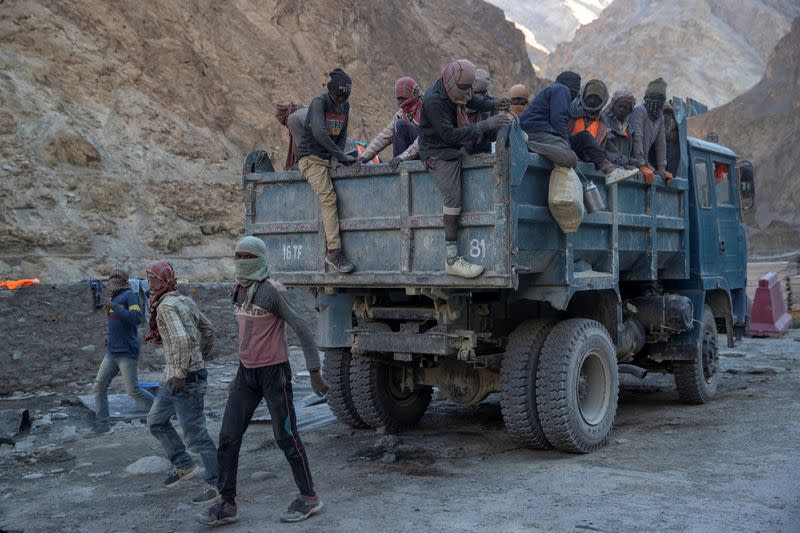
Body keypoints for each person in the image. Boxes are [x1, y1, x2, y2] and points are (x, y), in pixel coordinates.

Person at [197, 237, 329, 526]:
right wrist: (236, 377)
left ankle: (309, 497)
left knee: (286, 436)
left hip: (274, 374)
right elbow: (246, 339)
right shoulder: (238, 291)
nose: (242, 261)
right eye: (238, 256)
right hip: (247, 374)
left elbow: (303, 330)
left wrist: (315, 372)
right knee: (228, 437)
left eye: (248, 256)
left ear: (260, 258)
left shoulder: (272, 291)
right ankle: (227, 503)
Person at [419, 59, 511, 279]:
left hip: (455, 148)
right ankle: (451, 259)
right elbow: (449, 135)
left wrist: (494, 104)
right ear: (451, 84)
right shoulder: (434, 101)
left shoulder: (457, 90)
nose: (468, 95)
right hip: (438, 151)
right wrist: (484, 126)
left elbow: (473, 101)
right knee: (453, 200)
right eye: (464, 90)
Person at [145, 260, 219, 506]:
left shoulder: (166, 306)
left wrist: (182, 371)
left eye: (153, 279)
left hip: (183, 379)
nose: (149, 283)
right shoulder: (184, 300)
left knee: (196, 435)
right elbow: (208, 330)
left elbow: (181, 340)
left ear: (164, 281)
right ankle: (184, 465)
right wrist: (200, 358)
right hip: (176, 376)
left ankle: (218, 484)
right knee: (156, 421)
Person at [520, 73, 638, 184]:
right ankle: (528, 145)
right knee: (571, 159)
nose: (576, 93)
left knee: (584, 137)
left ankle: (610, 170)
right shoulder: (561, 89)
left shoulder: (602, 120)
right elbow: (559, 119)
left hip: (550, 135)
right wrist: (566, 144)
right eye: (576, 89)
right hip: (536, 133)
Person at [296, 68, 358, 274]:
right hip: (311, 159)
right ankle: (333, 252)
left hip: (328, 158)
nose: (340, 100)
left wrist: (337, 157)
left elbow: (341, 135)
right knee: (329, 199)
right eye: (338, 96)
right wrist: (340, 156)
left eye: (344, 96)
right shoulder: (319, 102)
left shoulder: (345, 105)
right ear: (331, 92)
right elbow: (320, 133)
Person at [91, 267, 154, 434]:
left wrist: (116, 307)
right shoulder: (115, 297)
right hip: (112, 352)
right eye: (111, 277)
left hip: (127, 352)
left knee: (133, 390)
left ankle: (162, 411)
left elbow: (136, 318)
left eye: (117, 277)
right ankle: (103, 426)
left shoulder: (129, 296)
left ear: (125, 280)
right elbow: (117, 324)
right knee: (98, 387)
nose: (113, 280)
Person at [362, 76, 423, 171]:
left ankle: (400, 169)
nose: (400, 102)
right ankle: (398, 171)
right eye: (399, 99)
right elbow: (384, 137)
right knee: (398, 125)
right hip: (409, 156)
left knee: (401, 125)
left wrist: (402, 157)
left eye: (403, 98)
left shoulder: (428, 109)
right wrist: (364, 157)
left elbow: (424, 139)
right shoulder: (401, 114)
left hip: (428, 154)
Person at [629, 77, 673, 183]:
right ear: (646, 97)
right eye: (653, 97)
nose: (656, 101)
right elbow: (637, 138)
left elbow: (661, 144)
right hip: (631, 161)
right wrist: (641, 164)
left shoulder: (660, 117)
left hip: (645, 162)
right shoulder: (639, 111)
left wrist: (662, 168)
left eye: (660, 98)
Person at [601, 90, 640, 170]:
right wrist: (627, 161)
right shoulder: (604, 122)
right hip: (607, 168)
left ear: (630, 110)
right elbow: (608, 152)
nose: (622, 110)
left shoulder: (629, 129)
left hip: (621, 167)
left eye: (625, 108)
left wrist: (632, 162)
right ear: (613, 106)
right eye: (619, 106)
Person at [464, 69, 496, 154]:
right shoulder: (461, 98)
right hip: (461, 151)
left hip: (483, 153)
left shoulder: (492, 103)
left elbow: (494, 137)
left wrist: (488, 121)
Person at [275, 102, 307, 170]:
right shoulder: (306, 110)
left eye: (285, 123)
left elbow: (301, 146)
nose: (287, 126)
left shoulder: (292, 118)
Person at [664, 103, 680, 175]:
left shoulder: (674, 124)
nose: (666, 116)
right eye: (665, 113)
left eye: (668, 113)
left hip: (671, 146)